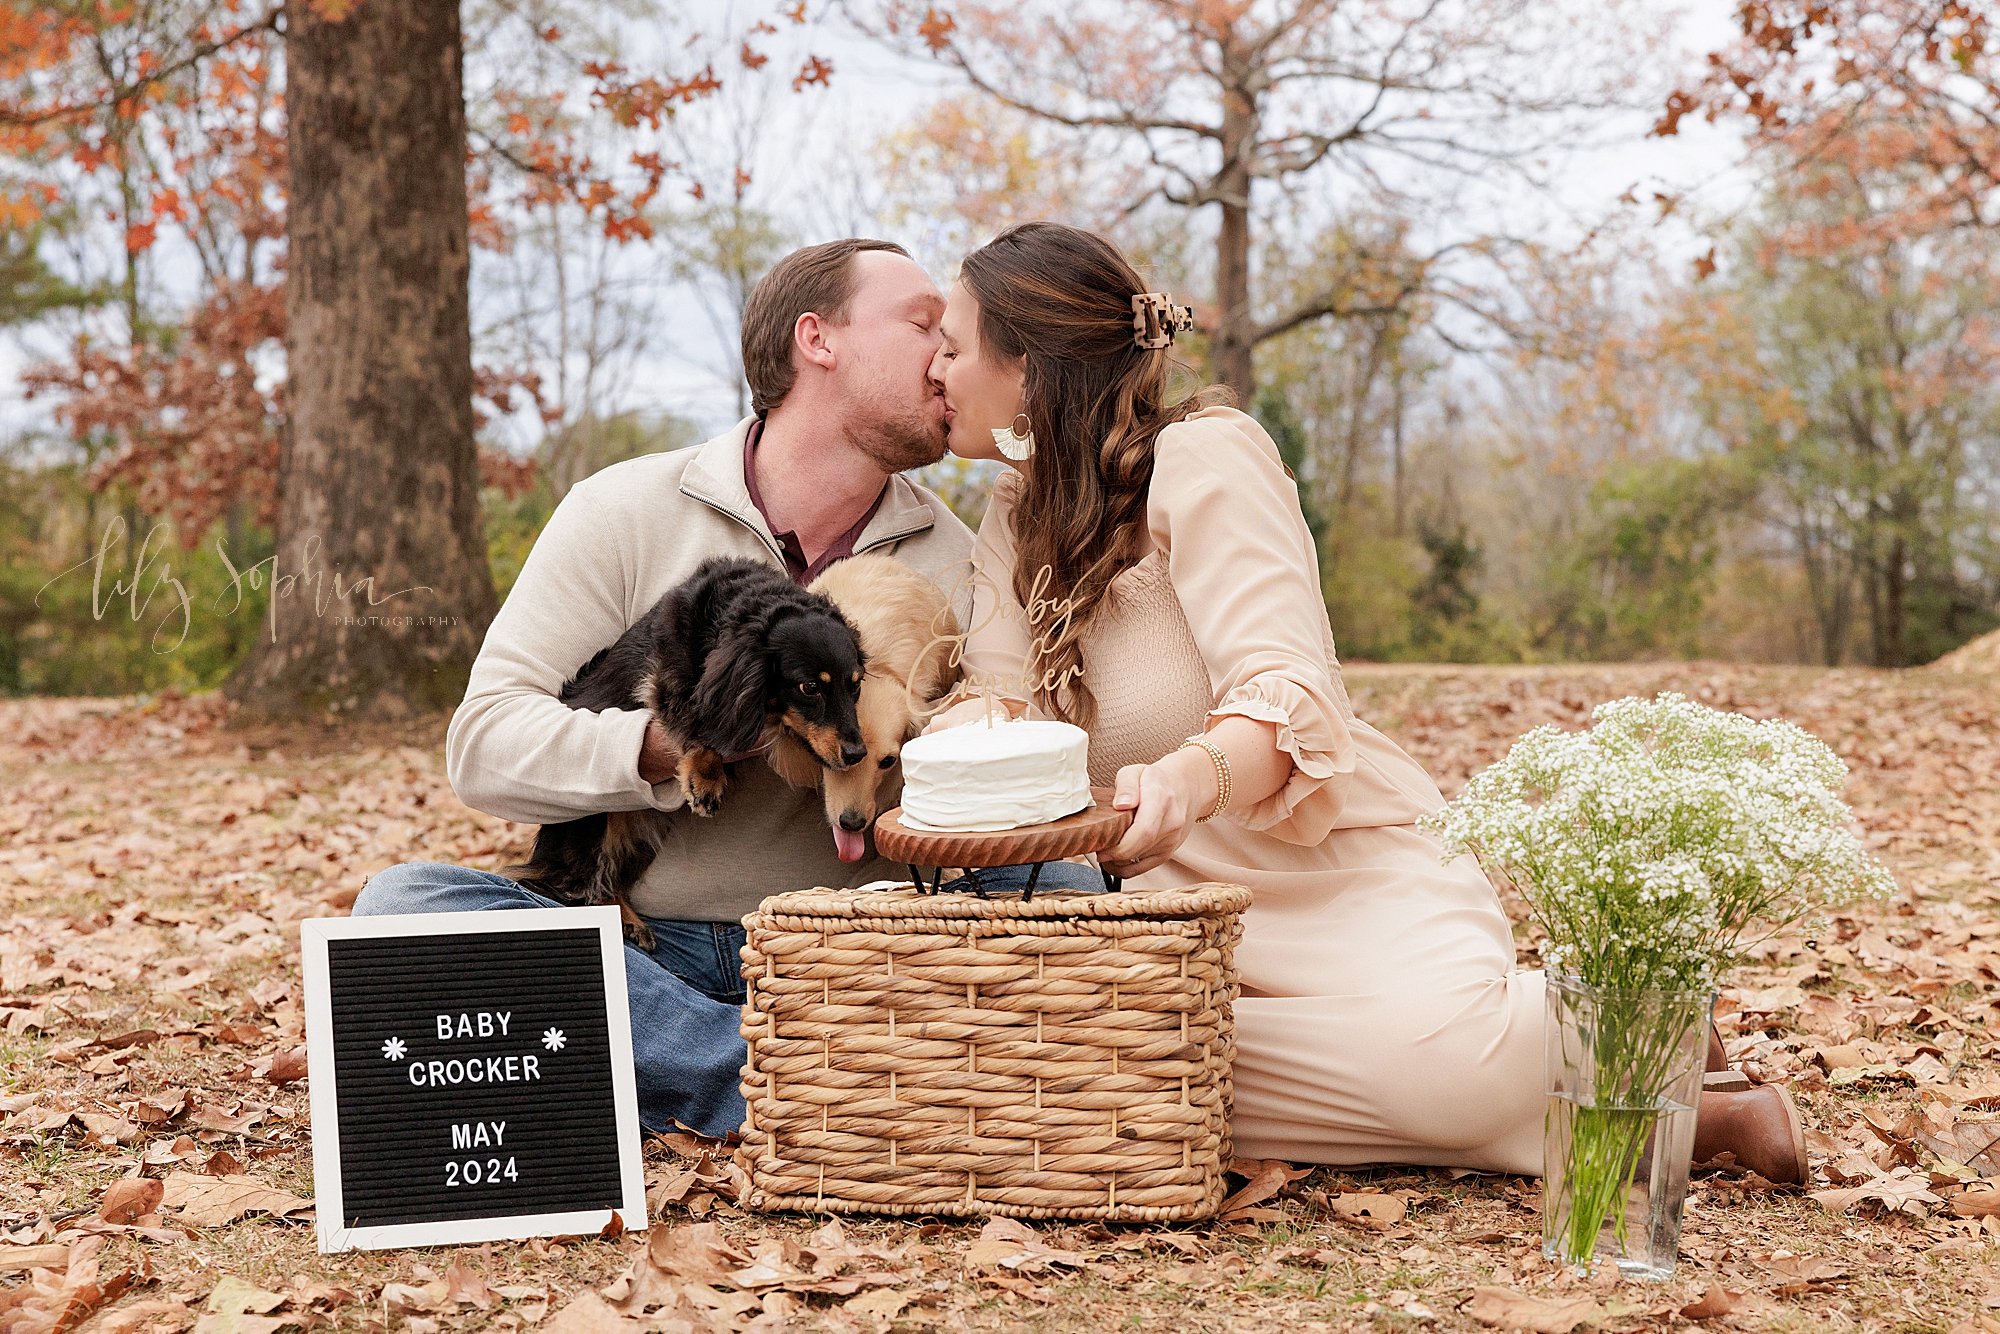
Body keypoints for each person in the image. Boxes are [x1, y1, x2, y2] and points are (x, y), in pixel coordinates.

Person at [922, 221, 1807, 1181]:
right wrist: (943, 754)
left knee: (1436, 1075)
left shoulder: (1207, 457)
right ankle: (1648, 1099)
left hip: (1333, 871)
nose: (935, 365)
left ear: (1030, 364)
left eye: (954, 345)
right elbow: (997, 699)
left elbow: (1287, 687)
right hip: (1173, 921)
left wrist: (1187, 778)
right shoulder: (1011, 518)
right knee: (1109, 1078)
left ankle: (1620, 1035)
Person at [351, 238, 1084, 1140]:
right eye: (922, 324)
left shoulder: (963, 560)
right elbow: (484, 746)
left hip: (856, 959)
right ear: (817, 340)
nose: (946, 355)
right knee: (400, 911)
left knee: (1077, 884)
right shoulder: (622, 510)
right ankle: (789, 1093)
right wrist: (673, 742)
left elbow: (985, 784)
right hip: (648, 959)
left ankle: (767, 1082)